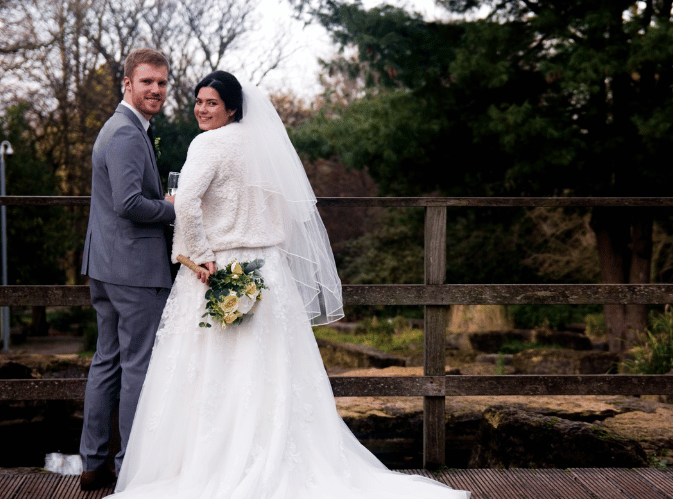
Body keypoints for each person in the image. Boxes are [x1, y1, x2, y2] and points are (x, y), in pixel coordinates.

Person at [108, 71, 470, 498]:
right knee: (272, 367)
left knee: (213, 368)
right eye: (199, 101)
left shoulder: (206, 144)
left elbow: (185, 202)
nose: (202, 110)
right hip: (268, 269)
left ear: (232, 109)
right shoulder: (264, 147)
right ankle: (277, 450)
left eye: (211, 103)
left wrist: (198, 254)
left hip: (222, 265)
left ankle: (214, 461)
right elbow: (285, 211)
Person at [79, 48, 176, 491]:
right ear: (127, 84)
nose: (155, 90)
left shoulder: (128, 129)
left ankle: (96, 464)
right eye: (147, 82)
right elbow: (130, 204)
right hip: (132, 270)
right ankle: (130, 467)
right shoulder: (124, 133)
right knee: (135, 366)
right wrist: (172, 208)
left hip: (109, 265)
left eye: (161, 82)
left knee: (109, 363)